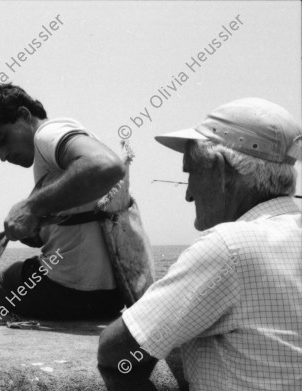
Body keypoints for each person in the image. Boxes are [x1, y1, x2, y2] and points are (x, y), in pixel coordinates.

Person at [97, 97, 302, 390]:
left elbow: (115, 351)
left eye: (191, 172)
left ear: (220, 170)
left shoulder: (228, 247)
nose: (189, 194)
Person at [0, 83, 126, 319]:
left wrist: (31, 207)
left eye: (3, 140)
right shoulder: (61, 148)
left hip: (67, 294)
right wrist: (40, 230)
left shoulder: (48, 134)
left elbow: (107, 166)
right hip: (112, 298)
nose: (4, 157)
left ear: (24, 115)